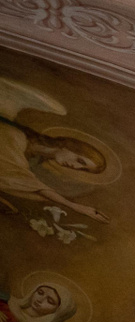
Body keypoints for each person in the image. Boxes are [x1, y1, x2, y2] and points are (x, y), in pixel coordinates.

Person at [0, 79, 110, 224]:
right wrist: (74, 206)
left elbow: (23, 184)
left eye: (83, 169)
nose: (76, 167)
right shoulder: (16, 137)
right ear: (70, 146)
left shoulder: (31, 157)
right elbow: (20, 178)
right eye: (80, 160)